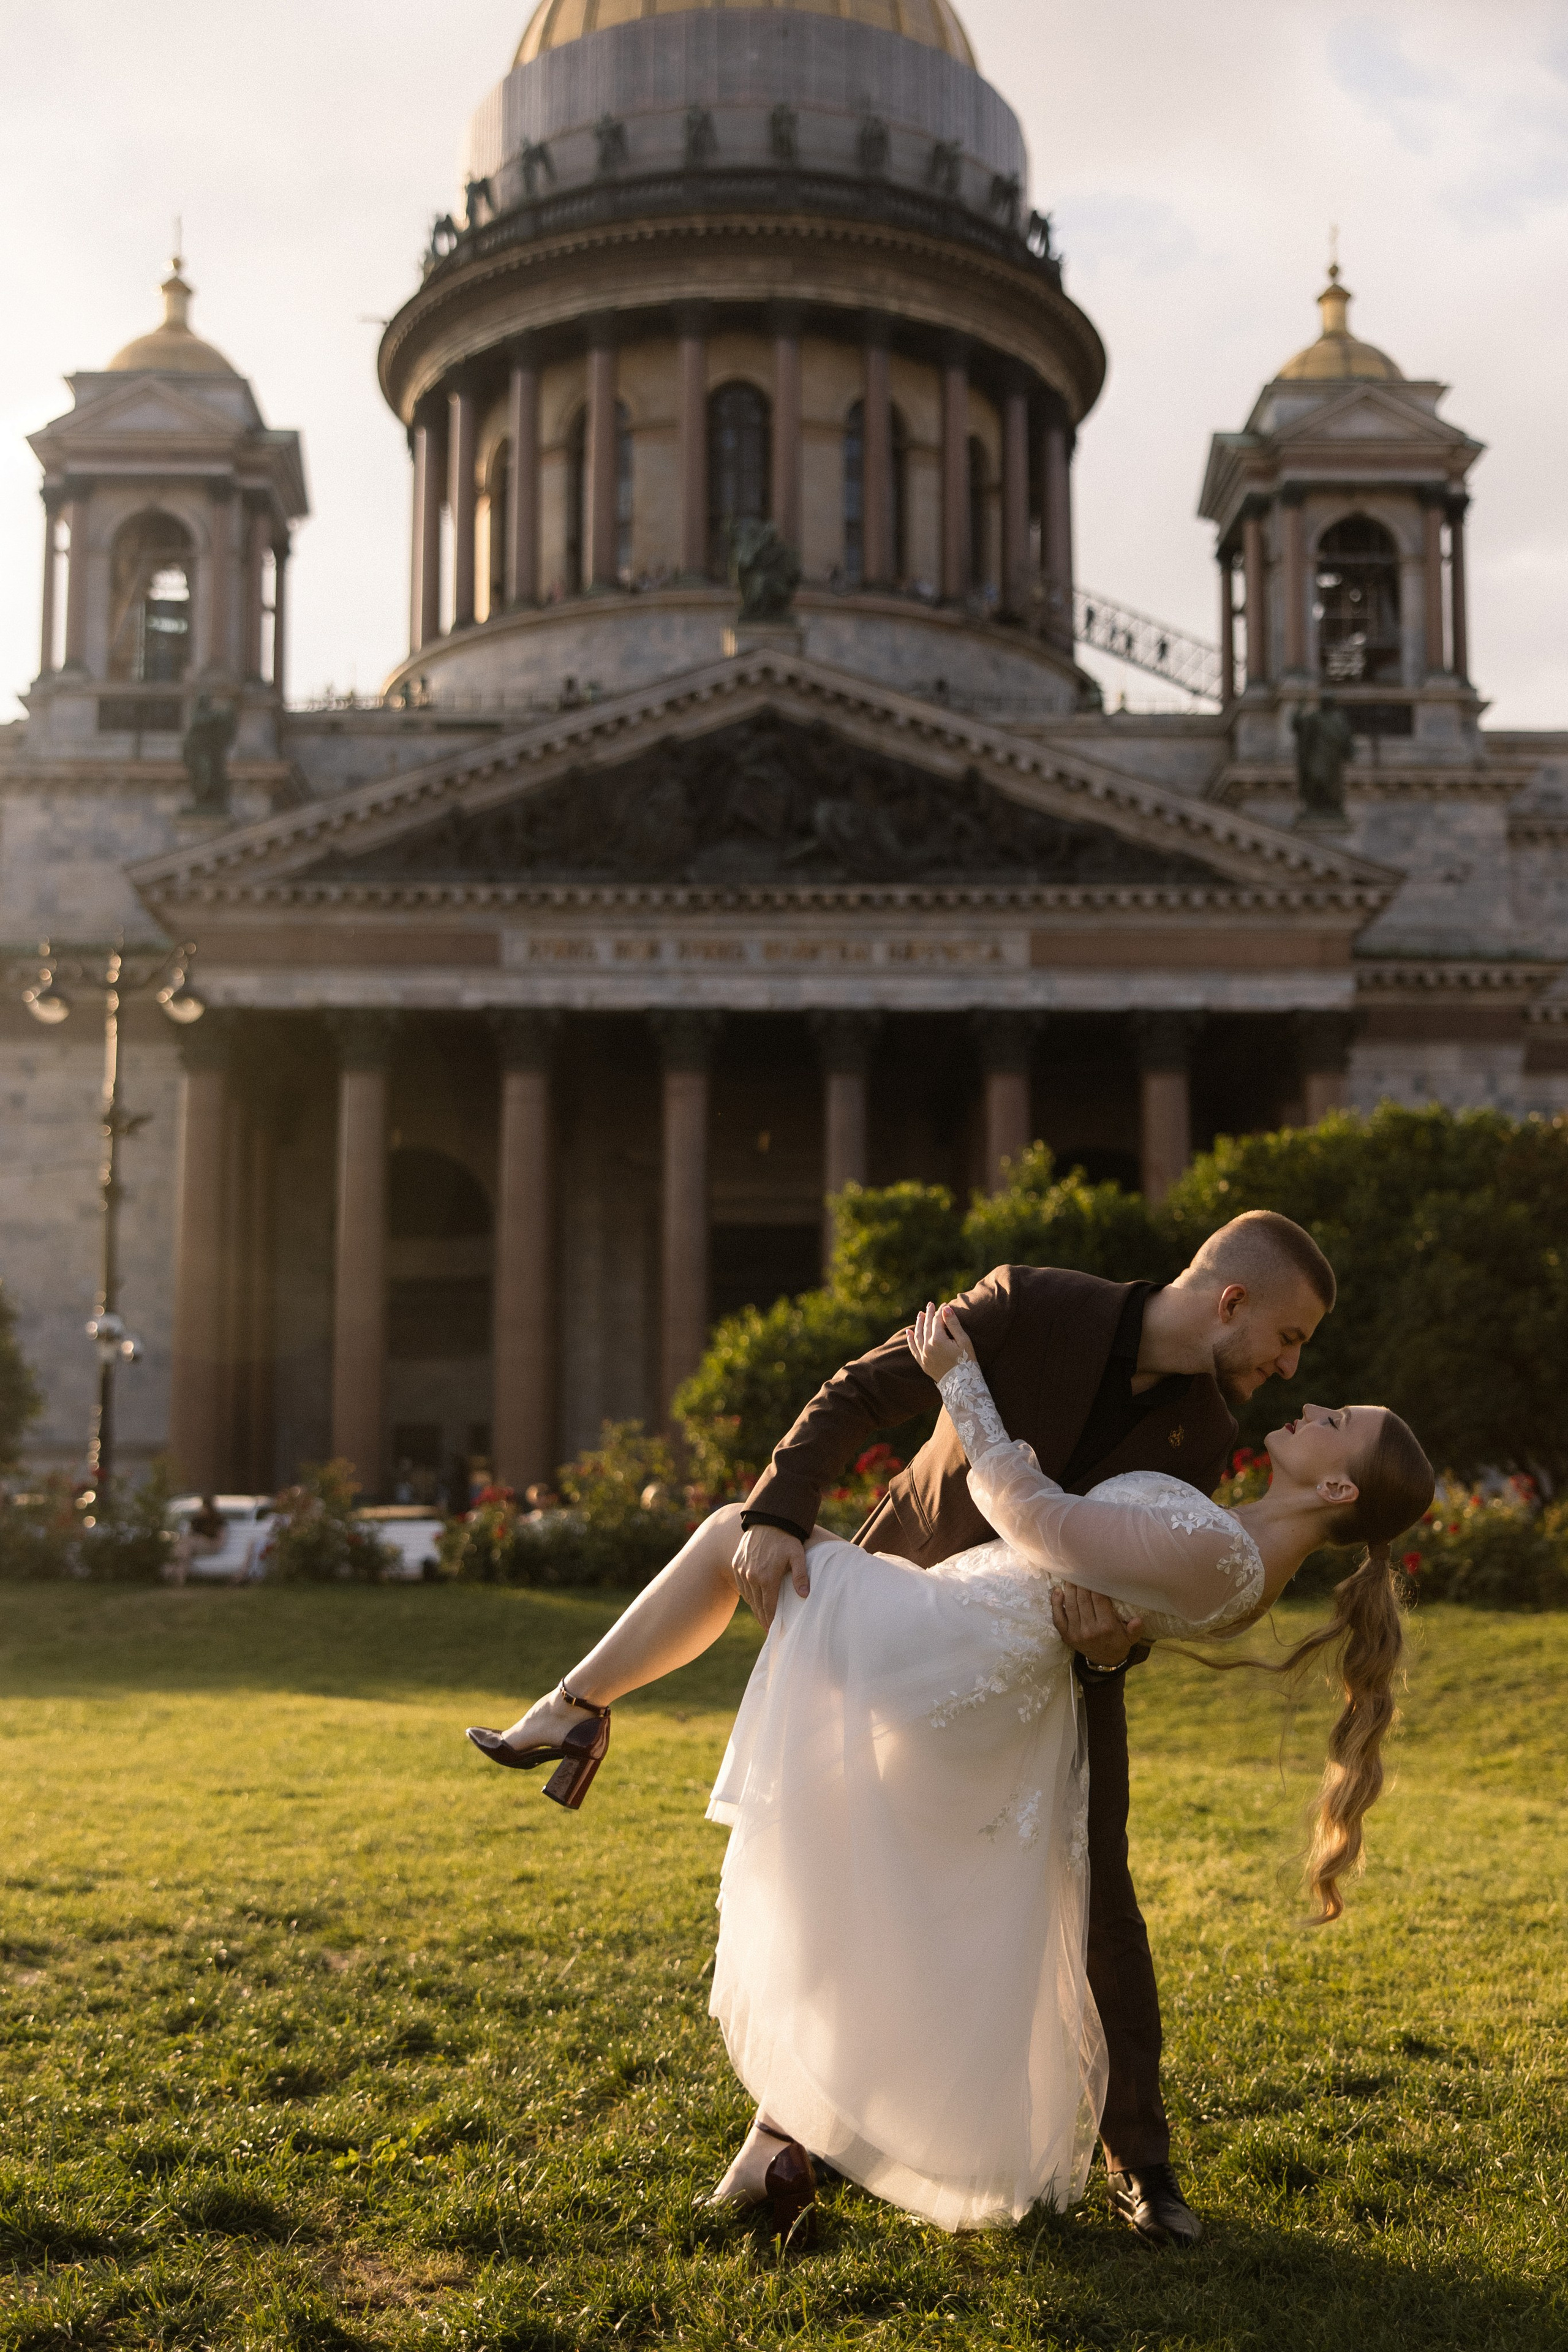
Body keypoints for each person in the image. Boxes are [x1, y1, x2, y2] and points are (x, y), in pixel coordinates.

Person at [467, 1297, 1433, 2239]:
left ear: (1340, 1488)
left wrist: (958, 1379)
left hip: (963, 1648)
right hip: (984, 1656)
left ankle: (576, 1710)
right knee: (877, 1894)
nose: (1307, 1398)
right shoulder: (1237, 1537)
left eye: (1335, 1420)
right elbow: (1115, 1575)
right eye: (1301, 1355)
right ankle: (776, 2145)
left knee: (737, 1533)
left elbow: (1031, 1512)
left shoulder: (1231, 1554)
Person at [729, 1209, 1334, 2245]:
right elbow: (862, 1389)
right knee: (852, 1866)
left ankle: (1142, 2164)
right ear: (1231, 1302)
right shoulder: (1029, 1302)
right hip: (908, 1618)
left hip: (1050, 1669)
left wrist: (1112, 1646)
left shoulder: (1210, 1434)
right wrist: (780, 1511)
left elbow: (1145, 1577)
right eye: (1288, 1338)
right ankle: (786, 2134)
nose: (1287, 1366)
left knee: (1101, 1891)